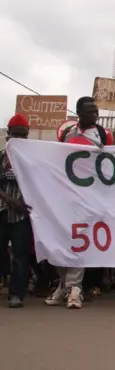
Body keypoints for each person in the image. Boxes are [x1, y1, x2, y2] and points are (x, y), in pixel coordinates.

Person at [46, 97, 114, 309]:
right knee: (61, 240)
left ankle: (74, 289)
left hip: (89, 197)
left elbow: (110, 163)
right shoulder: (66, 132)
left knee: (79, 239)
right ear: (79, 113)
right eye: (90, 112)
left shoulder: (104, 135)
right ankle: (63, 284)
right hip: (65, 195)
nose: (95, 115)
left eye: (96, 112)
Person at [0, 114, 34, 308]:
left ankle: (16, 294)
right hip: (3, 211)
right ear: (8, 135)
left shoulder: (32, 161)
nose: (19, 139)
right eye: (16, 135)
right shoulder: (1, 157)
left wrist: (23, 201)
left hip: (22, 214)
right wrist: (10, 199)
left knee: (21, 256)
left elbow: (39, 184)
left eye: (23, 135)